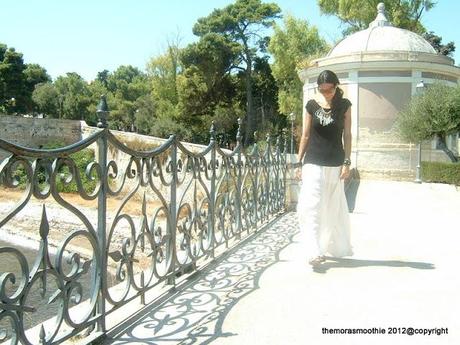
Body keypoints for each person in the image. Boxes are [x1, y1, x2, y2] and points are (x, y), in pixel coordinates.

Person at [295, 70, 353, 267]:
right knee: (310, 205)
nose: (327, 93)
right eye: (323, 89)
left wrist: (347, 162)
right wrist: (298, 162)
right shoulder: (311, 105)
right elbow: (305, 135)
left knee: (329, 208)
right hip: (313, 161)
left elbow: (348, 135)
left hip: (335, 164)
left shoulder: (344, 105)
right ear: (318, 88)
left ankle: (323, 245)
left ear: (336, 87)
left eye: (330, 89)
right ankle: (313, 251)